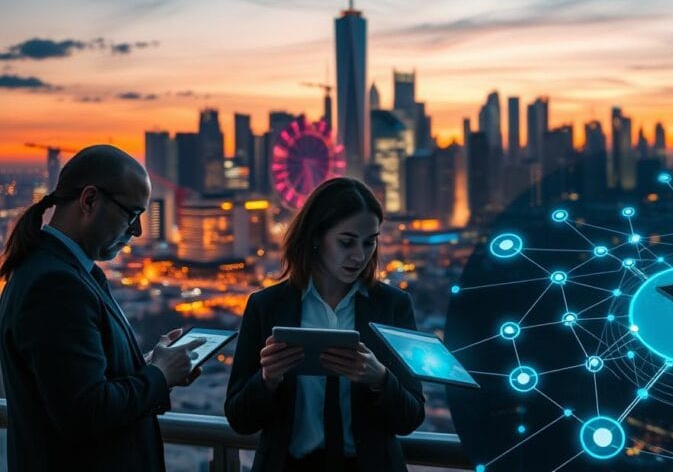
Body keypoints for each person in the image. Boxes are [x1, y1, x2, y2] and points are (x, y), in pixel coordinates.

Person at [0, 145, 205, 472]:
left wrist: (147, 364)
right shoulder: (56, 286)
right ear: (89, 200)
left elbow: (75, 384)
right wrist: (159, 376)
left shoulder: (59, 272)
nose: (137, 231)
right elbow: (86, 412)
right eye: (132, 214)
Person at [225, 177, 425, 472]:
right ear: (316, 236)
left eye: (369, 242)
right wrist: (267, 379)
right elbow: (239, 419)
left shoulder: (393, 306)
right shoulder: (266, 306)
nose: (359, 256)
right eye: (346, 242)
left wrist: (379, 378)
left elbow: (411, 416)